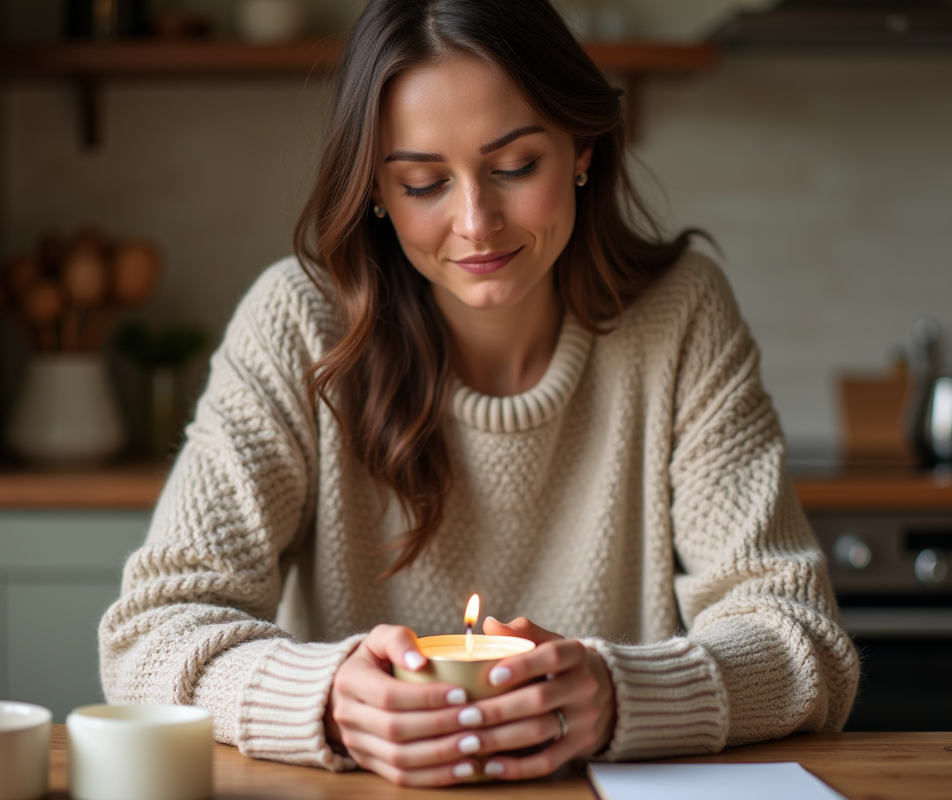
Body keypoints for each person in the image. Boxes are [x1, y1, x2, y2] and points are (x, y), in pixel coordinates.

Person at [99, 0, 859, 787]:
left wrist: (618, 694)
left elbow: (803, 641)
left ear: (581, 150)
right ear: (377, 195)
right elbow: (149, 634)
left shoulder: (681, 318)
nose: (475, 222)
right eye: (424, 182)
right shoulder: (297, 323)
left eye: (514, 167)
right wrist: (325, 701)